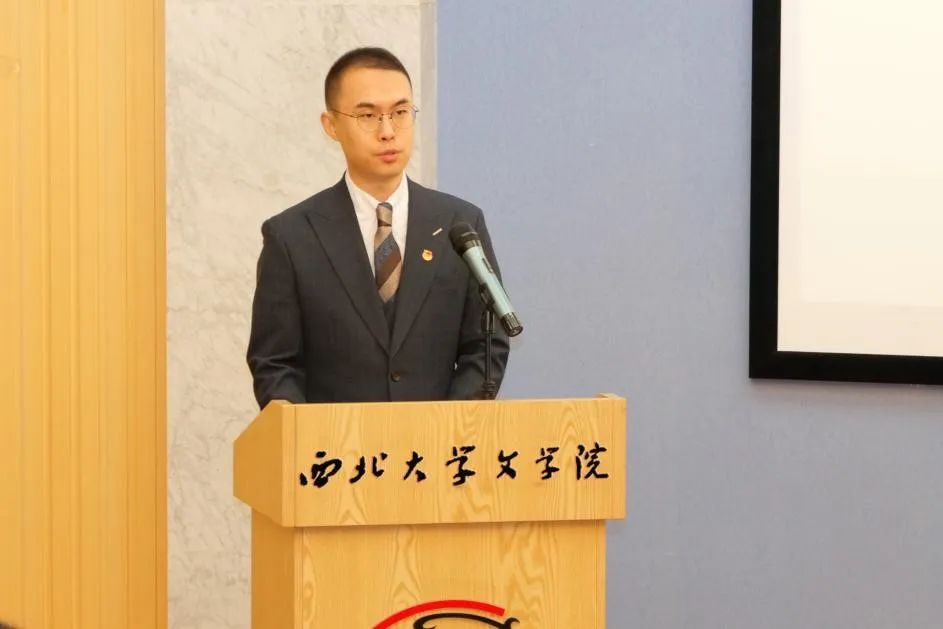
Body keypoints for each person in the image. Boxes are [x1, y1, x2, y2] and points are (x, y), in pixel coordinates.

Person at [247, 47, 510, 408]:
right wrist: (299, 424)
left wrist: (451, 425)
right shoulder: (292, 236)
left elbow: (485, 346)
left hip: (438, 438)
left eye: (400, 113)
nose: (388, 132)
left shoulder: (459, 224)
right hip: (335, 441)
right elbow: (275, 364)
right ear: (331, 125)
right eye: (368, 116)